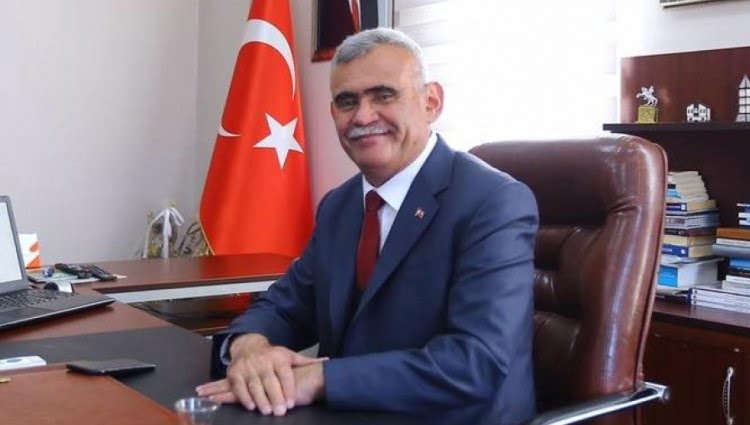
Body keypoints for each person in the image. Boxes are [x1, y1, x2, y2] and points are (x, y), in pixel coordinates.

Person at [197, 28, 538, 424]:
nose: (362, 116)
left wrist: (321, 379)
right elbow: (287, 305)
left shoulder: (492, 202)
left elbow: (477, 363)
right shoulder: (339, 206)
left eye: (384, 95)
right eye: (347, 101)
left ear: (431, 102)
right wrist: (248, 346)